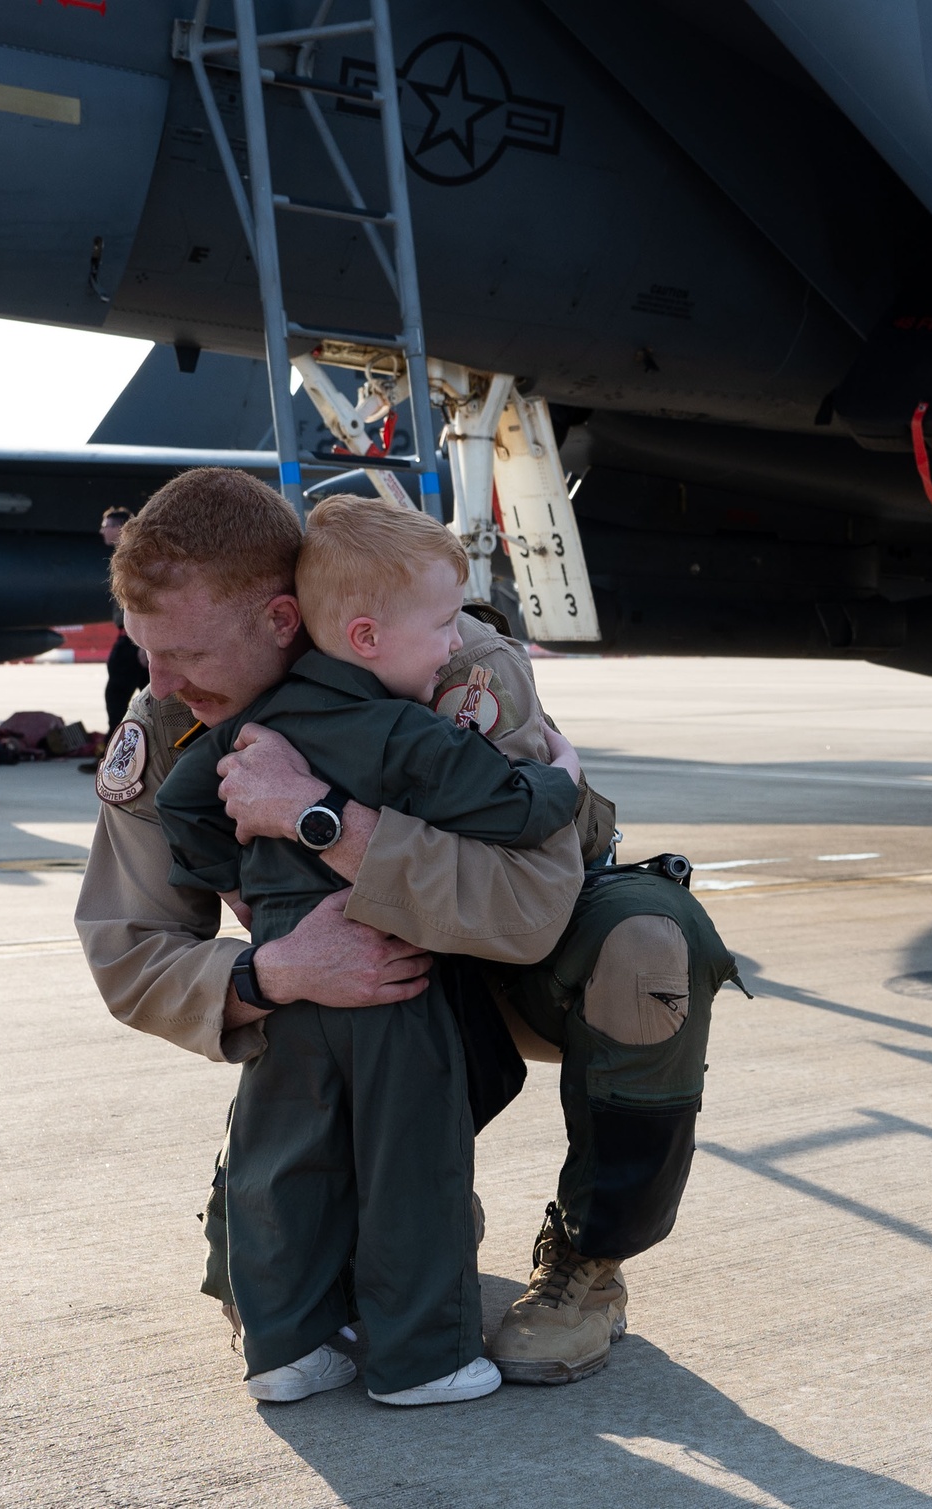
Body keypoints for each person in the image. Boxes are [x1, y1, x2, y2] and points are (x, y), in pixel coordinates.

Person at [74, 466, 740, 1399]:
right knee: (265, 1288)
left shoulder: (448, 664)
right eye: (146, 650)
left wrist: (324, 824)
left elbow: (530, 905)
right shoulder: (170, 718)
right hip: (337, 996)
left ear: (280, 621)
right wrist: (275, 969)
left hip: (509, 964)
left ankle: (588, 1259)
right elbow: (129, 945)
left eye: (185, 652)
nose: (160, 681)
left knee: (647, 946)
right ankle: (397, 1212)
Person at [153, 495, 581, 1407]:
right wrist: (560, 776)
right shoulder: (404, 732)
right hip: (391, 978)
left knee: (285, 1159)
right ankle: (422, 1361)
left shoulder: (252, 726)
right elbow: (507, 806)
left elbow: (184, 802)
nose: (448, 646)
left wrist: (254, 892)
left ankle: (285, 1351)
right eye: (437, 627)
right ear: (368, 635)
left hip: (291, 972)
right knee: (412, 1164)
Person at [79, 507, 148, 772]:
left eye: (107, 524)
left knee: (117, 700)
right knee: (147, 704)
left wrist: (142, 645)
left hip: (133, 643)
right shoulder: (132, 557)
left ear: (120, 528)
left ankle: (111, 761)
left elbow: (139, 601)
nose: (102, 530)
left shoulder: (133, 559)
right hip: (135, 641)